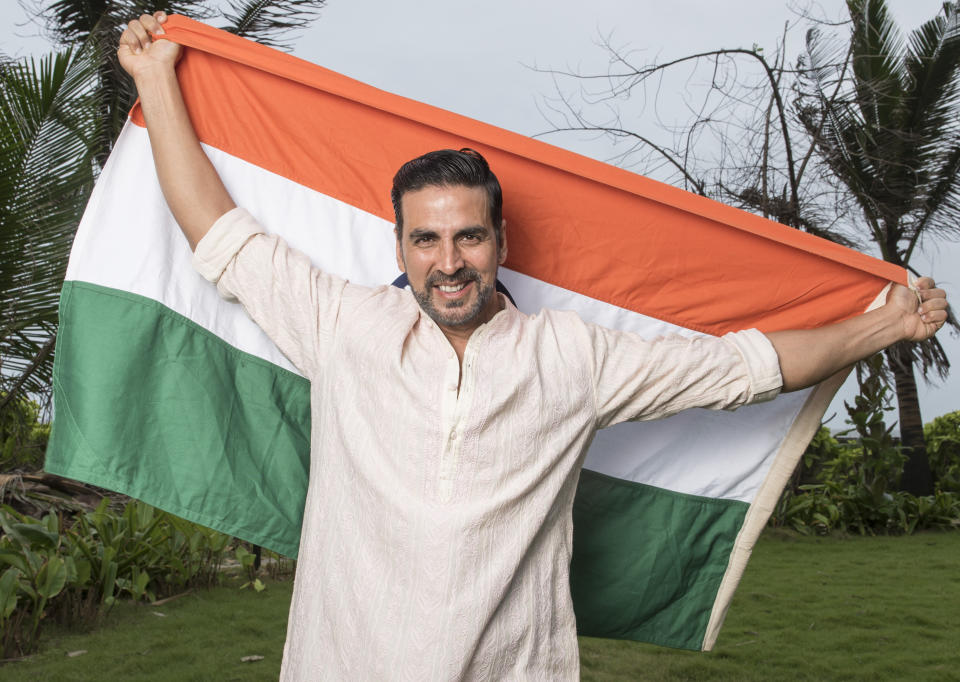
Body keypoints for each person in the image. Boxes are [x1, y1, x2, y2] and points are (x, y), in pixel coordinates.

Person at [118, 12, 949, 681]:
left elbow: (745, 370)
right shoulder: (342, 327)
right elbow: (217, 233)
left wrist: (886, 324)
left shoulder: (573, 357)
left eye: (469, 237)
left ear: (501, 243)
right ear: (399, 248)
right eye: (427, 240)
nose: (449, 263)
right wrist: (157, 80)